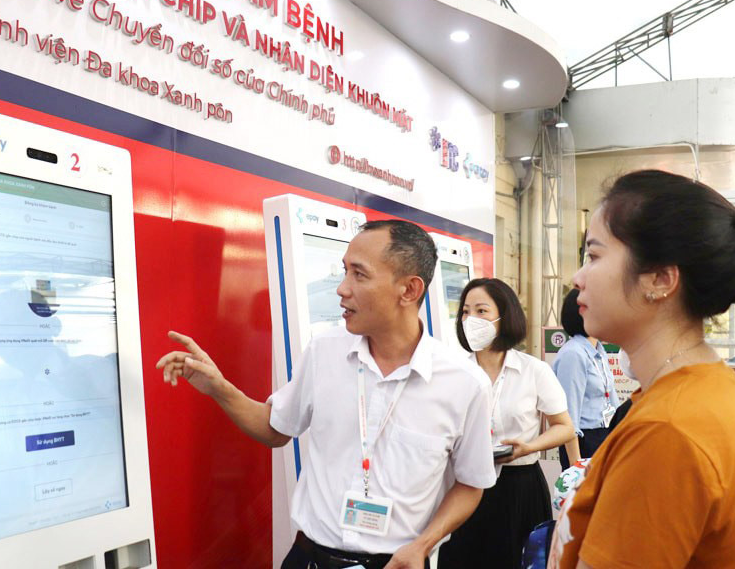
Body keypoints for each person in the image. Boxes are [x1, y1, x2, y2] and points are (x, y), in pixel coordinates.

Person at [157, 220, 497, 569]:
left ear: (409, 290)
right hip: (309, 558)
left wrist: (423, 545)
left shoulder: (465, 385)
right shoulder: (325, 351)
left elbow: (471, 484)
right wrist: (218, 387)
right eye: (344, 271)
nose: (342, 288)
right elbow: (276, 428)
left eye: (359, 274)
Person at [549, 170, 735, 568]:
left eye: (594, 256)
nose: (577, 278)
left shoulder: (669, 431)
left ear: (659, 279)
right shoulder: (693, 389)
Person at [438, 278, 576, 569]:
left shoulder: (533, 370)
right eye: (465, 312)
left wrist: (529, 447)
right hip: (465, 484)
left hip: (519, 487)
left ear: (504, 317)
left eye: (481, 311)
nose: (471, 320)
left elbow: (564, 427)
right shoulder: (454, 371)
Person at [553, 288, 620, 470]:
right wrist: (576, 466)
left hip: (604, 435)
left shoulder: (598, 350)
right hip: (583, 441)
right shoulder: (573, 354)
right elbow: (569, 415)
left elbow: (611, 400)